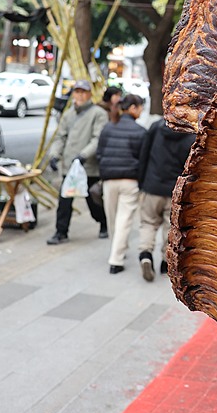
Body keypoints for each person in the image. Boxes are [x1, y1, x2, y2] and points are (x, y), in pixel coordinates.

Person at [46, 80, 108, 244]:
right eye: (77, 92)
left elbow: (98, 138)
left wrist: (83, 155)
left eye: (83, 92)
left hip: (88, 166)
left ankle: (104, 223)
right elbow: (60, 137)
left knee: (93, 202)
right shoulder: (68, 114)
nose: (80, 95)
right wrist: (54, 155)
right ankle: (61, 232)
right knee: (64, 201)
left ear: (89, 94)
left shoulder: (98, 113)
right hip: (69, 166)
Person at [136, 118, 195, 281]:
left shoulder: (156, 127)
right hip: (174, 191)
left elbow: (144, 154)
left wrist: (141, 182)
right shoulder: (191, 134)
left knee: (148, 222)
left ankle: (145, 254)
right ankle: (165, 262)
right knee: (170, 228)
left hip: (152, 187)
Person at [95, 94, 146, 274]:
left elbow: (99, 153)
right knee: (123, 220)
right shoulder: (140, 132)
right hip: (130, 181)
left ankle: (116, 253)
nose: (141, 111)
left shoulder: (108, 127)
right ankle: (117, 258)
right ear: (132, 108)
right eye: (140, 107)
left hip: (109, 180)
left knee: (112, 219)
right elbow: (143, 159)